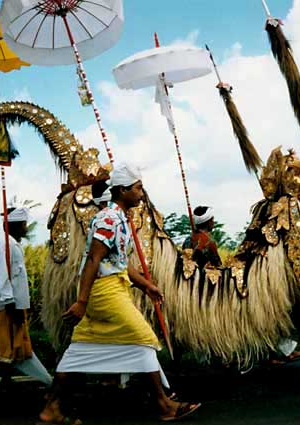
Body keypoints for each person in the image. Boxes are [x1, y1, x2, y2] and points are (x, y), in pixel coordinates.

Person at [40, 163, 200, 423]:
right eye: (138, 188)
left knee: (79, 348)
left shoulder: (119, 219)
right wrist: (82, 302)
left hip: (113, 288)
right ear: (123, 190)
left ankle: (52, 408)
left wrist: (146, 286)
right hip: (105, 292)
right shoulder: (108, 219)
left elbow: (120, 262)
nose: (141, 193)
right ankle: (164, 405)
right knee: (143, 338)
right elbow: (93, 259)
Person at [0, 207, 52, 385]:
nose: (26, 228)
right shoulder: (6, 245)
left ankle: (5, 382)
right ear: (14, 225)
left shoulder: (12, 244)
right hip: (8, 307)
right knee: (3, 348)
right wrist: (9, 302)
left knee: (13, 347)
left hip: (16, 305)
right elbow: (2, 274)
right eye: (23, 224)